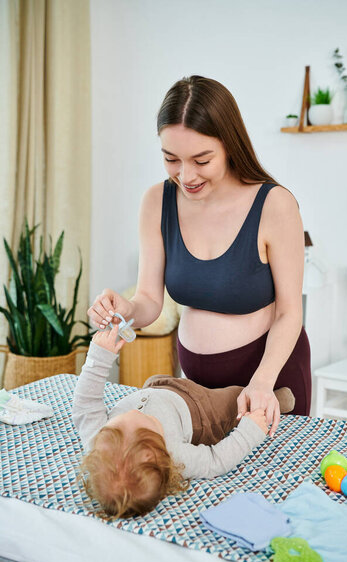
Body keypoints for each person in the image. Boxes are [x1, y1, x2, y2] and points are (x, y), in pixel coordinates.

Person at [87, 75, 311, 439]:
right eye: (171, 159)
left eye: (201, 159)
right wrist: (124, 309)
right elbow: (148, 301)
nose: (186, 175)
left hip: (271, 382)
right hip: (197, 386)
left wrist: (261, 383)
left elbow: (289, 312)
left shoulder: (274, 205)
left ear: (229, 146)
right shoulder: (156, 203)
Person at [73, 325, 295, 519]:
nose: (136, 414)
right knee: (237, 399)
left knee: (151, 381)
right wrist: (250, 431)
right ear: (158, 453)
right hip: (201, 411)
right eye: (146, 425)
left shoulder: (96, 441)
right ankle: (277, 400)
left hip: (160, 388)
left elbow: (85, 403)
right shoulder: (175, 456)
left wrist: (99, 357)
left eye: (118, 425)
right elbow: (215, 460)